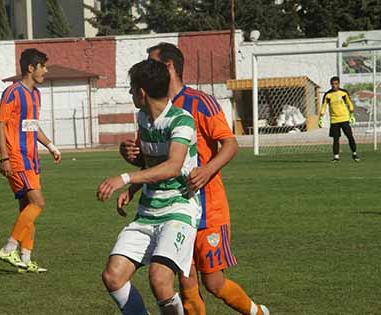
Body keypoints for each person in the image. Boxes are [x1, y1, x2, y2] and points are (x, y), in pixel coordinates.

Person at [121, 43, 268, 315]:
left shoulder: (200, 102)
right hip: (175, 211)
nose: (146, 68)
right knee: (187, 287)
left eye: (151, 62)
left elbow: (231, 144)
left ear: (168, 67)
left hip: (208, 210)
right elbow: (153, 162)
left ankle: (258, 313)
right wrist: (132, 177)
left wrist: (207, 169)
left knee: (214, 283)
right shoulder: (149, 111)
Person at [98, 59, 200, 315]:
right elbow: (150, 163)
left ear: (142, 92)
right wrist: (131, 188)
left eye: (132, 89)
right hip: (147, 212)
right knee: (113, 276)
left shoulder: (181, 120)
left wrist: (125, 179)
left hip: (178, 210)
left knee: (159, 279)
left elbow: (173, 166)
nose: (131, 94)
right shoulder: (143, 118)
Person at [0, 48, 61, 273]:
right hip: (17, 158)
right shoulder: (12, 92)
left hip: (32, 160)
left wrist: (50, 145)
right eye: (43, 66)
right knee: (38, 203)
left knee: (27, 208)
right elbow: (2, 124)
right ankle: (8, 248)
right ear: (31, 68)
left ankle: (25, 259)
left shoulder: (35, 94)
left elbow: (31, 126)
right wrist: (4, 157)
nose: (46, 70)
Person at [318, 76, 360, 162]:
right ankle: (336, 157)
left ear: (339, 84)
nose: (334, 86)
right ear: (331, 84)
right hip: (334, 120)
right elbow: (323, 106)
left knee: (350, 136)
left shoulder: (343, 93)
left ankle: (354, 154)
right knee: (336, 139)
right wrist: (320, 118)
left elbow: (350, 104)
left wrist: (352, 115)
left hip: (344, 119)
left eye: (336, 84)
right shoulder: (328, 95)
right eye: (333, 84)